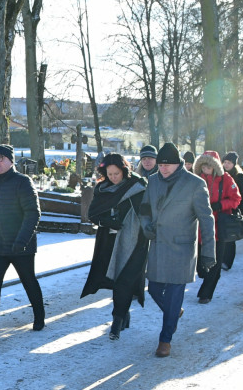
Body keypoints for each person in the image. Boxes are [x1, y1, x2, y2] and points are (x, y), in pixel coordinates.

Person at [138, 142, 215, 357]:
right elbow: (145, 209)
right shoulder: (152, 181)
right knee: (153, 289)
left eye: (167, 165)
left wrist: (209, 251)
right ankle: (174, 312)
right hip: (159, 244)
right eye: (160, 165)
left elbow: (207, 220)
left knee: (173, 293)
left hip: (181, 248)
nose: (163, 169)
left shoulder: (194, 184)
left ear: (178, 164)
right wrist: (146, 227)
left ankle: (165, 339)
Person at [0, 145, 44, 342]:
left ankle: (39, 317)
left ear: (11, 161)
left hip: (21, 246)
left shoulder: (23, 182)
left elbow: (33, 213)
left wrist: (22, 240)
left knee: (29, 281)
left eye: (0, 158)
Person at [82, 154, 149, 340]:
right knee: (114, 280)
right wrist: (106, 221)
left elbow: (146, 213)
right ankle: (124, 314)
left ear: (124, 171)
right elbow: (93, 214)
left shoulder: (137, 186)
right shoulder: (102, 189)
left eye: (116, 173)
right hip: (109, 240)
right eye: (109, 173)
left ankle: (116, 322)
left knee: (124, 280)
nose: (113, 177)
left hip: (134, 240)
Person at [193, 151, 240, 303]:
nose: (205, 168)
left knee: (215, 262)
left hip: (219, 227)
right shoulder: (195, 179)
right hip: (198, 227)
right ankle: (204, 278)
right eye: (203, 165)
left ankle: (206, 293)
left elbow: (236, 198)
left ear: (215, 166)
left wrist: (220, 205)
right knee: (200, 265)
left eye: (209, 165)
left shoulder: (226, 179)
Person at [221, 152, 243, 271]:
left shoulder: (240, 177)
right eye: (225, 162)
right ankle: (220, 258)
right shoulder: (220, 174)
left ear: (234, 164)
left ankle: (227, 261)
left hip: (234, 210)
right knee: (221, 235)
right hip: (222, 208)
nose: (226, 165)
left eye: (229, 163)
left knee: (230, 236)